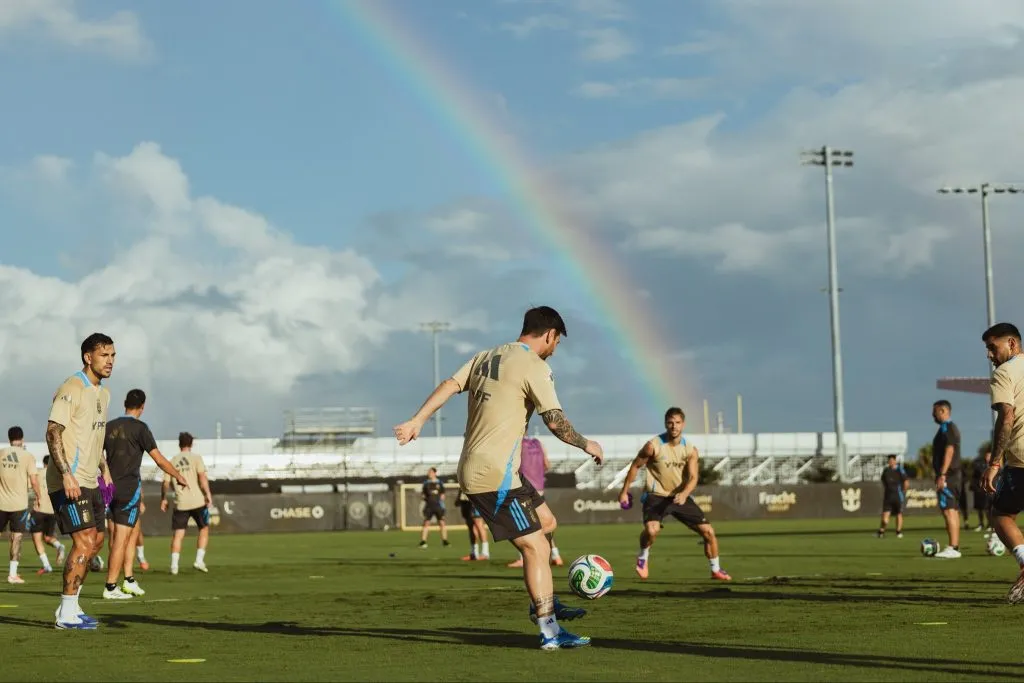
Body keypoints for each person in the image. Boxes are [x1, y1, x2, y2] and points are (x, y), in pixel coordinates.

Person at [393, 305, 602, 650]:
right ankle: (549, 629)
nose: (555, 351)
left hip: (491, 468)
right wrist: (586, 443)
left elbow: (449, 384)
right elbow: (555, 420)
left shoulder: (486, 356)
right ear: (550, 335)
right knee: (535, 547)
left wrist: (417, 420)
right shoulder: (535, 366)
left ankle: (544, 601)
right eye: (557, 343)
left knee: (546, 523)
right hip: (495, 474)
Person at [45, 332, 115, 629]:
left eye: (113, 356)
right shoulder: (72, 387)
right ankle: (65, 614)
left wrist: (105, 469)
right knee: (84, 541)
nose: (110, 361)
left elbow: (93, 437)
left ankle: (73, 606)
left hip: (91, 478)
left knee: (97, 541)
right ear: (88, 357)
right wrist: (66, 474)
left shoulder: (104, 393)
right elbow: (52, 432)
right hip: (68, 481)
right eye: (104, 355)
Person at [618, 407, 731, 581]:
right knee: (652, 530)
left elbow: (694, 477)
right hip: (656, 495)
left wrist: (685, 493)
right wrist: (624, 491)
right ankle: (642, 556)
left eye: (677, 422)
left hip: (679, 496)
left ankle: (715, 570)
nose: (674, 426)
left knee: (708, 532)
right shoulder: (653, 446)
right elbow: (635, 466)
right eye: (670, 422)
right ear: (665, 423)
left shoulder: (690, 449)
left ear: (683, 424)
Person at [102, 389, 187, 599]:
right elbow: (158, 459)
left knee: (124, 536)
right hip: (129, 490)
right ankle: (111, 586)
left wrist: (105, 474)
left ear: (124, 403)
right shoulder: (140, 428)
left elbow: (96, 455)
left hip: (109, 489)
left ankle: (128, 580)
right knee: (122, 538)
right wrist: (177, 475)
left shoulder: (109, 426)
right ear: (143, 406)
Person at [979, 323, 1024, 603]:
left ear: (1012, 344)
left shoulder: (1004, 373)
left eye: (992, 347)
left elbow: (1006, 417)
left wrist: (994, 463)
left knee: (1001, 515)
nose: (989, 354)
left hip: (1021, 460)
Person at [161, 432, 213, 575]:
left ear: (179, 444)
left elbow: (165, 483)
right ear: (191, 444)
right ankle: (199, 560)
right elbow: (202, 477)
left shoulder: (172, 461)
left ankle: (174, 566)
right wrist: (208, 494)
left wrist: (164, 498)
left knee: (178, 534)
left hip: (181, 502)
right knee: (204, 528)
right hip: (197, 501)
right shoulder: (196, 458)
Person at [508, 434, 561, 568]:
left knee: (521, 524)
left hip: (523, 488)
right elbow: (547, 465)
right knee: (544, 523)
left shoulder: (515, 443)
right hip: (539, 488)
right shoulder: (538, 443)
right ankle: (555, 555)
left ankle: (524, 558)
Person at [0, 427, 43, 584]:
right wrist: (39, 497)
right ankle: (12, 574)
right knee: (16, 537)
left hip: (1, 502)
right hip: (19, 504)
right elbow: (33, 481)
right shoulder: (28, 456)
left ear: (9, 438)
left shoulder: (1, 454)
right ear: (22, 439)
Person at [930, 399, 963, 558]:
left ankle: (953, 547)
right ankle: (954, 545)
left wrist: (942, 474)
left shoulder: (947, 428)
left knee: (949, 510)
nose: (932, 415)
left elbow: (949, 450)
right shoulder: (949, 428)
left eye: (934, 411)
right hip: (952, 476)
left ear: (943, 411)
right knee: (953, 511)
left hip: (948, 476)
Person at [30, 455, 67, 575]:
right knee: (47, 537)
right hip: (52, 511)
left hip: (39, 510)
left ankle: (47, 566)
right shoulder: (57, 476)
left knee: (37, 539)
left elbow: (32, 484)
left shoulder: (39, 473)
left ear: (44, 463)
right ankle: (59, 546)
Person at [877, 454, 908, 538]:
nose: (890, 462)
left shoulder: (900, 470)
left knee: (899, 513)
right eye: (889, 461)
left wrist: (903, 491)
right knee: (885, 517)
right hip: (888, 496)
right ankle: (881, 531)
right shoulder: (886, 470)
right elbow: (883, 481)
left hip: (898, 496)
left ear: (895, 461)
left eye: (892, 460)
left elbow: (906, 481)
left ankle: (898, 531)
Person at [418, 467, 450, 549]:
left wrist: (440, 502)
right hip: (429, 506)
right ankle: (423, 541)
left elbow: (443, 495)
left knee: (442, 523)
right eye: (429, 472)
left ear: (435, 473)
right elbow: (423, 494)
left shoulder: (440, 483)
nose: (429, 473)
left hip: (438, 506)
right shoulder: (426, 483)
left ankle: (445, 541)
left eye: (431, 472)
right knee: (426, 523)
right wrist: (425, 497)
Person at [456, 487, 490, 561]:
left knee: (479, 523)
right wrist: (458, 496)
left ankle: (485, 553)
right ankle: (474, 553)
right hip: (465, 499)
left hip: (476, 497)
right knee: (471, 526)